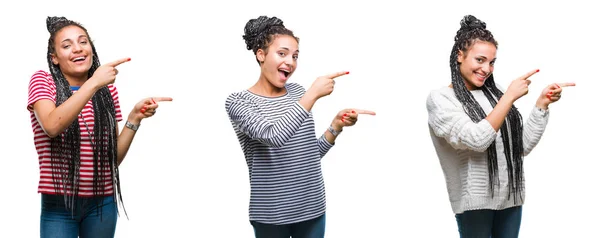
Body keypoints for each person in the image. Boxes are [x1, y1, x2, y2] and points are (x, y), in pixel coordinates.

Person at [225, 16, 375, 238]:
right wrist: (312, 94)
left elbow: (307, 155)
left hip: (312, 206)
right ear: (261, 54)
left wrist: (335, 126)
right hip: (271, 214)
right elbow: (273, 136)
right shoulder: (239, 102)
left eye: (295, 56)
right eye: (282, 53)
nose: (291, 62)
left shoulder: (297, 93)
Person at [426, 15, 575, 238]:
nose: (487, 69)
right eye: (480, 60)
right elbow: (476, 140)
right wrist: (509, 98)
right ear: (460, 56)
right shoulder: (441, 99)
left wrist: (541, 104)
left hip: (511, 198)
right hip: (475, 205)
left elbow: (520, 147)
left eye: (492, 62)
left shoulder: (495, 96)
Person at [27, 16, 172, 238]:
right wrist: (93, 82)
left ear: (91, 49)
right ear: (54, 58)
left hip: (102, 204)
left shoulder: (107, 92)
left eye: (83, 42)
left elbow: (112, 159)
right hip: (59, 206)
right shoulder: (43, 81)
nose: (77, 49)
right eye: (67, 45)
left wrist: (134, 118)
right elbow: (51, 126)